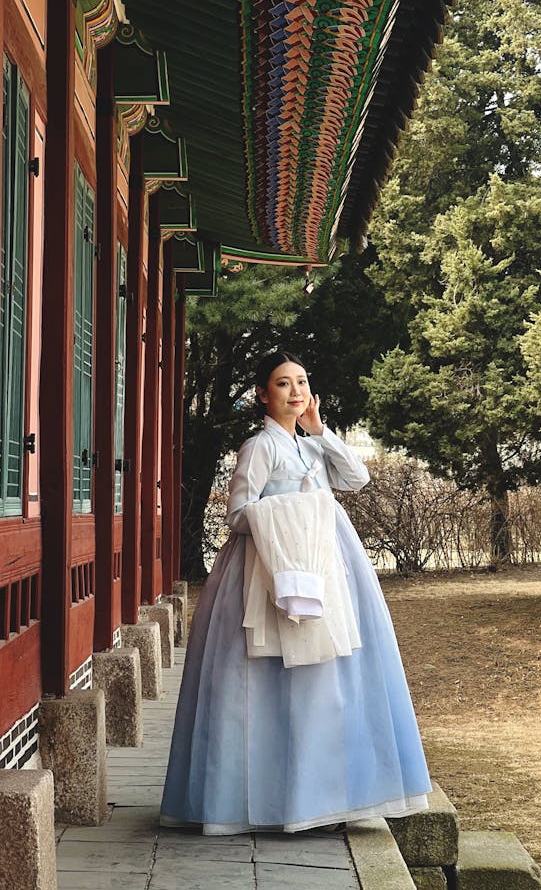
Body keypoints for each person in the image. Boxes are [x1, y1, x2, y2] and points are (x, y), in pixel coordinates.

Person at [160, 350, 431, 834]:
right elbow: (238, 515)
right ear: (262, 394)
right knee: (264, 685)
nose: (295, 391)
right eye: (283, 383)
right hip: (265, 573)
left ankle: (319, 798)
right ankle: (258, 802)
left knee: (324, 683)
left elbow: (357, 478)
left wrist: (320, 429)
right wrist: (298, 514)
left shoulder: (312, 446)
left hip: (323, 569)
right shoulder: (259, 446)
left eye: (302, 382)